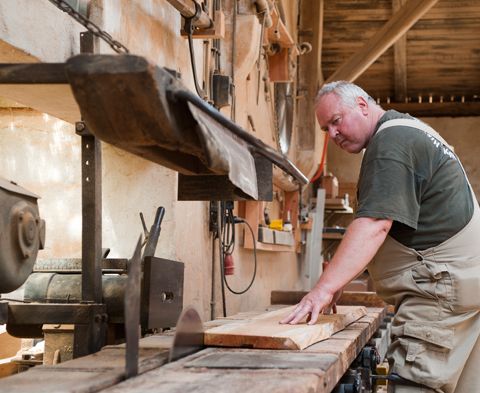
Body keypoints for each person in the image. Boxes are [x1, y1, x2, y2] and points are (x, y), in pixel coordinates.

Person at [280, 81, 480, 393]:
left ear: (362, 105)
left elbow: (374, 225)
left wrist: (322, 290)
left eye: (336, 121)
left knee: (416, 385)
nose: (332, 134)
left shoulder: (391, 142)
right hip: (462, 287)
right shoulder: (411, 129)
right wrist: (339, 282)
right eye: (326, 129)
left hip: (439, 292)